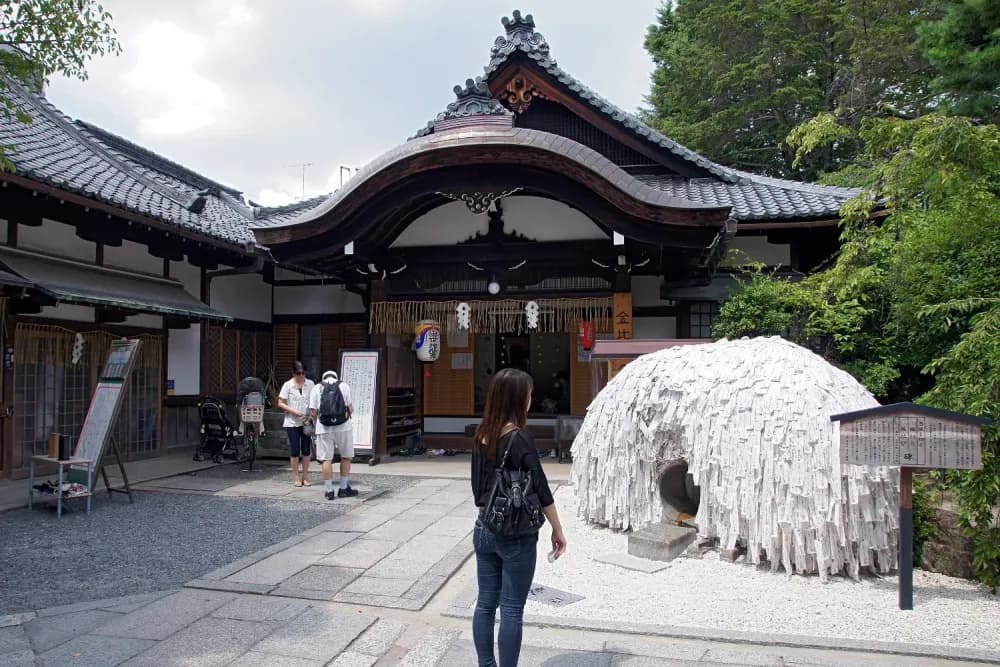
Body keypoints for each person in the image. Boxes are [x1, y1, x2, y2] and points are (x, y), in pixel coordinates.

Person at [471, 368, 567, 667]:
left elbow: (477, 488)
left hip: (483, 528)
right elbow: (540, 487)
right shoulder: (520, 438)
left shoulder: (481, 433)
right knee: (512, 609)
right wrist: (557, 528)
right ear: (517, 399)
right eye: (528, 394)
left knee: (485, 605)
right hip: (515, 535)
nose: (531, 399)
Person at [309, 370, 358, 499]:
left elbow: (313, 413)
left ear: (323, 378)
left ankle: (329, 491)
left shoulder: (317, 388)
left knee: (326, 459)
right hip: (343, 427)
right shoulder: (343, 385)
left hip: (324, 428)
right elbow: (350, 408)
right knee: (346, 457)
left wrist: (311, 424)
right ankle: (343, 488)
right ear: (336, 377)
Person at [278, 361, 314, 487]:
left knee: (306, 449)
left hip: (306, 421)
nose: (301, 375)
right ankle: (296, 477)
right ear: (293, 373)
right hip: (292, 422)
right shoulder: (288, 385)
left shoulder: (310, 384)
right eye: (298, 373)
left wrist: (313, 415)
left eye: (303, 373)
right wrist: (293, 411)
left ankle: (305, 476)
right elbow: (280, 402)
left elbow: (314, 401)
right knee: (294, 450)